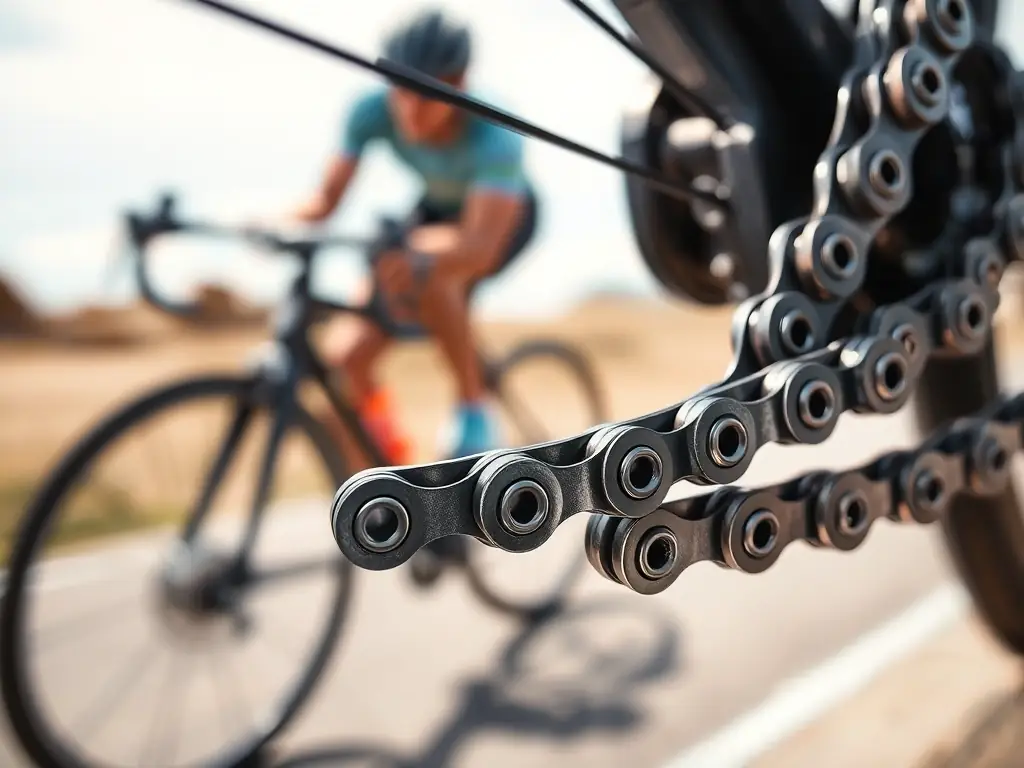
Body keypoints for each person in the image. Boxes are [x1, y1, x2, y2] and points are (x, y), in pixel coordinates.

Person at [290, 9, 539, 577]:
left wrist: (416, 253)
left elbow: (475, 246)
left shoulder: (494, 130)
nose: (408, 110)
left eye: (426, 96)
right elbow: (323, 204)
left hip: (500, 216)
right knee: (344, 359)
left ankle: (476, 411)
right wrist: (263, 223)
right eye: (398, 91)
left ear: (458, 86)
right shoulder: (369, 112)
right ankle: (389, 480)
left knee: (438, 274)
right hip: (430, 212)